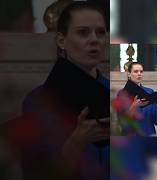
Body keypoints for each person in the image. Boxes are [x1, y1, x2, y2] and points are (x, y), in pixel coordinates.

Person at [2, 1, 109, 179]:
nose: (94, 40)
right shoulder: (40, 100)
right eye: (83, 32)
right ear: (61, 40)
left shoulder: (118, 96)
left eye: (100, 33)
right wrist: (78, 140)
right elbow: (37, 174)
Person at [117, 62, 157, 136]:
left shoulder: (150, 92)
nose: (139, 74)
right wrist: (133, 106)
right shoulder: (122, 94)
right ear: (129, 74)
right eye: (136, 71)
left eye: (141, 71)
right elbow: (122, 123)